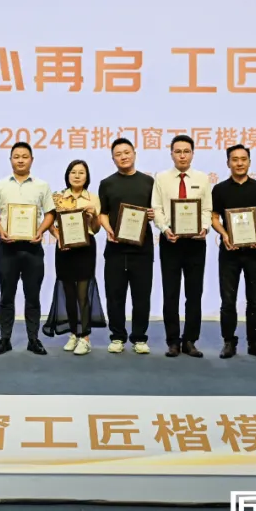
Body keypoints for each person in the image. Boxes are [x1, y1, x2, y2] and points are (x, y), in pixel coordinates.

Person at [0, 141, 56, 356]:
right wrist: (1, 231)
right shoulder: (0, 185)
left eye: (25, 156)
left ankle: (33, 339)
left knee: (32, 296)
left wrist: (40, 231)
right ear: (10, 160)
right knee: (6, 295)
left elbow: (50, 214)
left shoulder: (42, 186)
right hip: (8, 248)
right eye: (16, 156)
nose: (20, 160)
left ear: (32, 160)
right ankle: (4, 339)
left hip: (33, 248)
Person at [211, 144, 256, 360]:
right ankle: (229, 342)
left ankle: (254, 342)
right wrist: (224, 234)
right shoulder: (219, 189)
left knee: (255, 300)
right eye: (235, 159)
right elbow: (214, 217)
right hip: (229, 252)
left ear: (249, 162)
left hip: (255, 252)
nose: (239, 163)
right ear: (228, 162)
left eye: (243, 159)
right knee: (228, 300)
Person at [151, 134, 212, 358]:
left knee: (194, 293)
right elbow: (157, 208)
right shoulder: (161, 178)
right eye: (178, 151)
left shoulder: (203, 178)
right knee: (171, 293)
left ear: (193, 154)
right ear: (171, 154)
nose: (182, 156)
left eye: (186, 151)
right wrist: (165, 229)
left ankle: (190, 341)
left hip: (196, 243)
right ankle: (173, 341)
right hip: (171, 242)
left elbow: (207, 209)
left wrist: (204, 228)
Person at [97, 138, 155, 355]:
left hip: (142, 249)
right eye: (118, 154)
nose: (123, 157)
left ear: (134, 154)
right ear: (113, 159)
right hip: (115, 249)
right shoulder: (107, 183)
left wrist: (153, 214)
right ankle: (117, 336)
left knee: (142, 296)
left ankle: (139, 338)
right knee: (115, 295)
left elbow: (156, 210)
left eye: (127, 152)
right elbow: (102, 213)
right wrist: (108, 229)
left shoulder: (149, 182)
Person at [47, 160, 104, 355]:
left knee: (83, 293)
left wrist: (93, 216)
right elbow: (49, 222)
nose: (77, 176)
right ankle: (73, 333)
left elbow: (96, 228)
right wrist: (58, 237)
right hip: (64, 249)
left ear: (87, 177)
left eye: (81, 172)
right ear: (67, 175)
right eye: (73, 172)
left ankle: (85, 337)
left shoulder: (93, 198)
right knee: (68, 292)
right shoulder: (58, 197)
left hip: (85, 248)